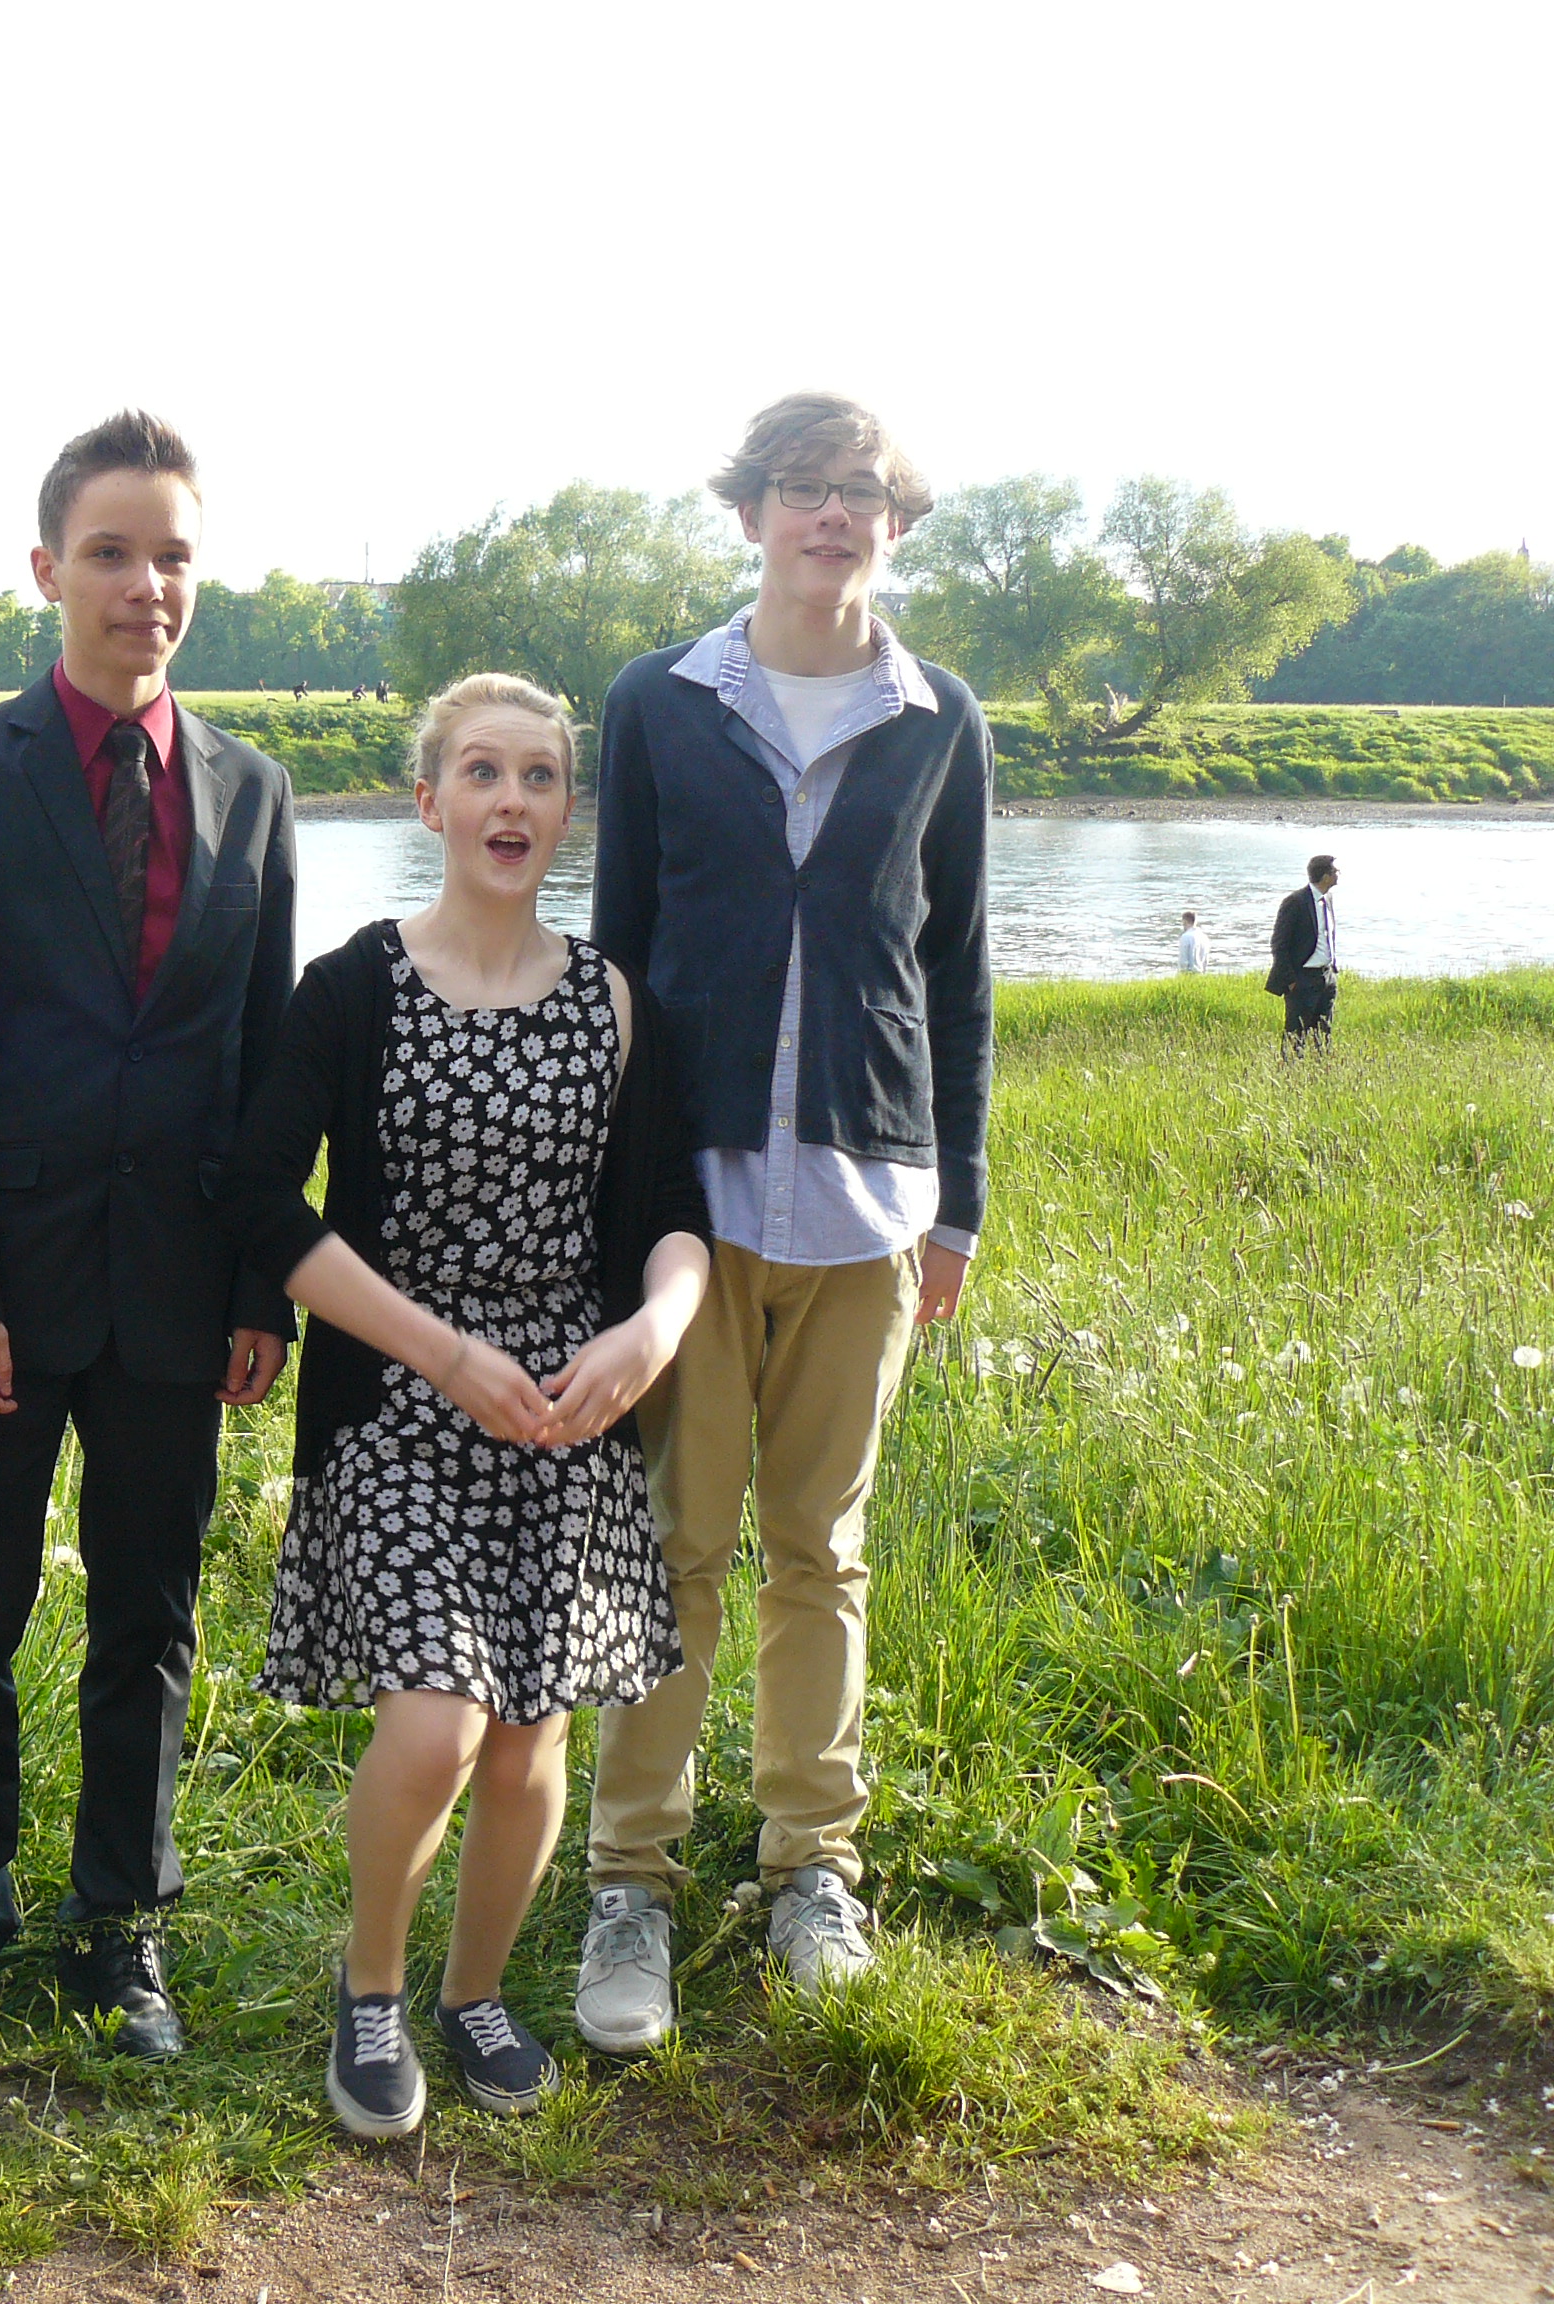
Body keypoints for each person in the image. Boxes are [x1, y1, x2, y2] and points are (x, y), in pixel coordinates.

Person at [220, 674, 708, 2136]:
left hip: (564, 1411)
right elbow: (258, 1202)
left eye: (541, 776)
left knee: (528, 1736)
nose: (513, 800)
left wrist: (652, 1334)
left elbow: (672, 1218)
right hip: (398, 1401)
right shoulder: (352, 987)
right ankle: (371, 1992)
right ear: (429, 800)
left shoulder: (617, 1001)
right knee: (437, 1722)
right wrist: (440, 1356)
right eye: (483, 773)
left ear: (568, 811)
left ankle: (474, 1994)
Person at [578, 392, 994, 2051]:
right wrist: (611, 1193)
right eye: (804, 488)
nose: (833, 515)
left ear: (894, 520)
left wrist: (959, 1201)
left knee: (822, 1547)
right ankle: (630, 1878)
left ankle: (811, 1865)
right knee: (674, 1544)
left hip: (870, 1195)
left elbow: (956, 970)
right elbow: (615, 952)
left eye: (861, 492)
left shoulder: (938, 719)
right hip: (693, 1200)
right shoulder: (659, 704)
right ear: (749, 512)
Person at [0, 410, 298, 2066]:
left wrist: (260, 1287)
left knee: (149, 1619)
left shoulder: (254, 793)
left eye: (172, 555)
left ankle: (122, 1928)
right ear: (47, 568)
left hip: (178, 1293)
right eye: (113, 553)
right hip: (3, 1285)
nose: (146, 586)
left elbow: (264, 1065)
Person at [1266, 856, 1340, 1050]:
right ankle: (1290, 1066)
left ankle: (1320, 1065)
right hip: (1303, 979)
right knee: (1295, 1033)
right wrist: (1291, 981)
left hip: (1327, 977)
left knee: (1323, 1033)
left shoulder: (1328, 899)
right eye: (1335, 871)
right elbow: (1279, 944)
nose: (1338, 874)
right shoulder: (1295, 902)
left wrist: (1332, 970)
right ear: (1325, 876)